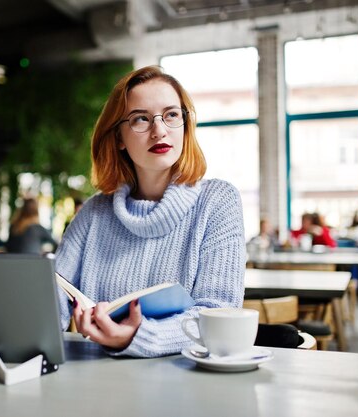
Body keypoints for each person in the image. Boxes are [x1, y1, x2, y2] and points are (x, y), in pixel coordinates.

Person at [54, 65, 245, 357]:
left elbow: (219, 314)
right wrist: (7, 315)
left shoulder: (218, 201)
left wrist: (137, 337)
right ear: (118, 137)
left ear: (185, 124)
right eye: (140, 118)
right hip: (98, 388)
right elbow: (55, 298)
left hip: (188, 388)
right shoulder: (94, 213)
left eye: (171, 115)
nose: (159, 131)